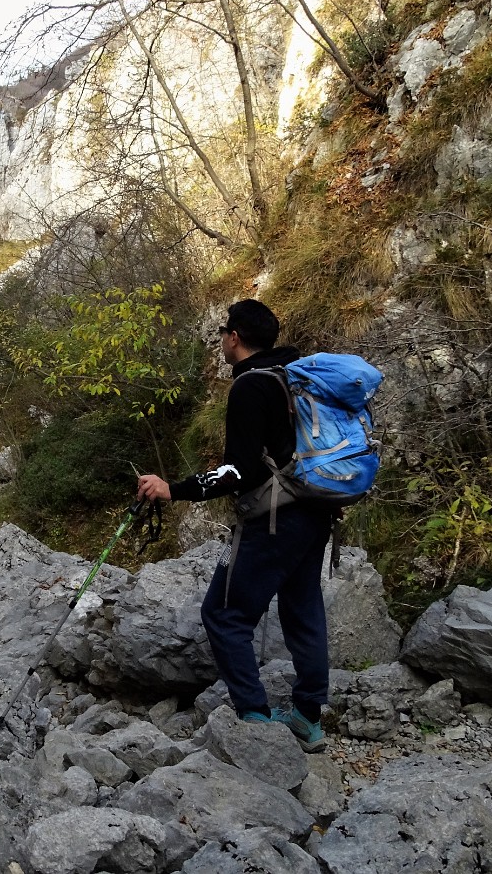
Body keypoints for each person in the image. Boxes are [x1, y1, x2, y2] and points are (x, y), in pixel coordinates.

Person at [136, 299, 332, 751]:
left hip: (275, 520)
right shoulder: (294, 375)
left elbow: (237, 471)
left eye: (223, 332)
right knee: (302, 611)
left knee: (223, 615)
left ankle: (255, 721)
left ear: (235, 337)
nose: (221, 340)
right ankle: (307, 718)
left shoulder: (249, 387)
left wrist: (174, 489)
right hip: (315, 510)